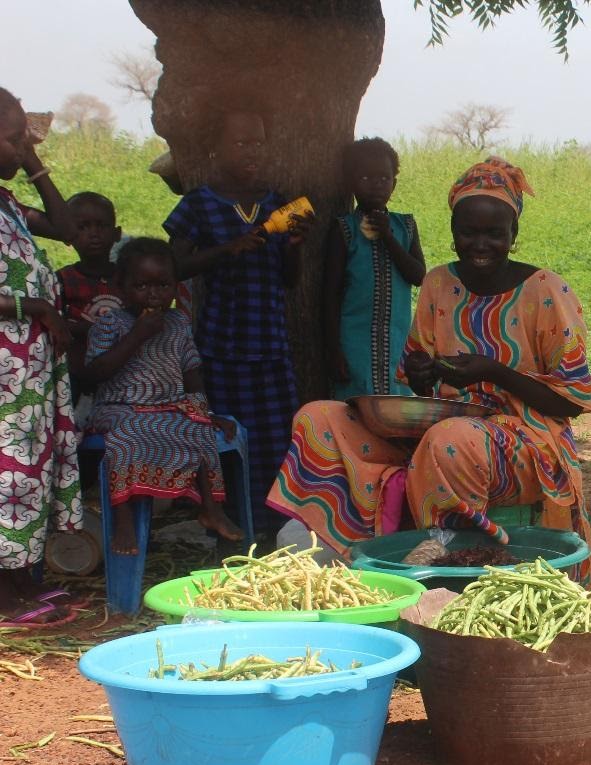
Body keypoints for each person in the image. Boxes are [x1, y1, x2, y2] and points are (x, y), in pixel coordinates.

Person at [269, 157, 591, 578]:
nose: (480, 244)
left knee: (451, 440)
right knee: (319, 416)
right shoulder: (439, 284)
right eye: (468, 232)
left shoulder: (546, 291)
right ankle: (344, 537)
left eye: (495, 233)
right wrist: (423, 373)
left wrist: (492, 371)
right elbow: (419, 376)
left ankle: (447, 555)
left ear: (514, 235)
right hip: (446, 430)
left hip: (527, 440)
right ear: (453, 232)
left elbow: (572, 400)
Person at [164, 105, 310, 537]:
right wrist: (228, 249)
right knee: (225, 442)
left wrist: (295, 248)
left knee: (276, 441)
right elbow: (176, 267)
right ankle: (228, 528)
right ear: (216, 148)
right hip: (221, 345)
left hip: (270, 345)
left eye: (259, 142)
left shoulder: (282, 203)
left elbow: (291, 280)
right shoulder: (199, 205)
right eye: (241, 142)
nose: (252, 151)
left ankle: (271, 529)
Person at [83, 238, 244, 556]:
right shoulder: (110, 323)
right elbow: (94, 373)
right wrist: (137, 335)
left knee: (198, 428)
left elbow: (192, 373)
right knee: (127, 434)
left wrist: (205, 412)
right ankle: (124, 518)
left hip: (168, 406)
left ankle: (210, 508)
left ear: (176, 284)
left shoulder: (178, 323)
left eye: (162, 285)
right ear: (121, 284)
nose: (153, 294)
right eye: (141, 285)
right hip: (119, 407)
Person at [0, 87, 82, 625]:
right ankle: (6, 597)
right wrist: (32, 304)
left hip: (27, 368)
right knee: (8, 476)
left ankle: (19, 584)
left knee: (26, 474)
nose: (22, 144)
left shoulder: (9, 204)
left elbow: (69, 228)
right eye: (13, 137)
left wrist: (31, 160)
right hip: (7, 369)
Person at [325, 137, 425, 400]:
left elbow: (418, 275)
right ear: (351, 183)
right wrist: (334, 351)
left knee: (397, 406)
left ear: (395, 182)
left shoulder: (405, 227)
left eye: (384, 178)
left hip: (398, 343)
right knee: (355, 408)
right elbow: (330, 293)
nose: (376, 185)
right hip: (354, 344)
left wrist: (388, 237)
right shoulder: (344, 229)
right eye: (366, 178)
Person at [56, 192, 125, 414]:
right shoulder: (63, 279)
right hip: (78, 372)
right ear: (68, 235)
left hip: (125, 369)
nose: (93, 234)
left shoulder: (129, 279)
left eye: (101, 226)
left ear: (117, 234)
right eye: (83, 227)